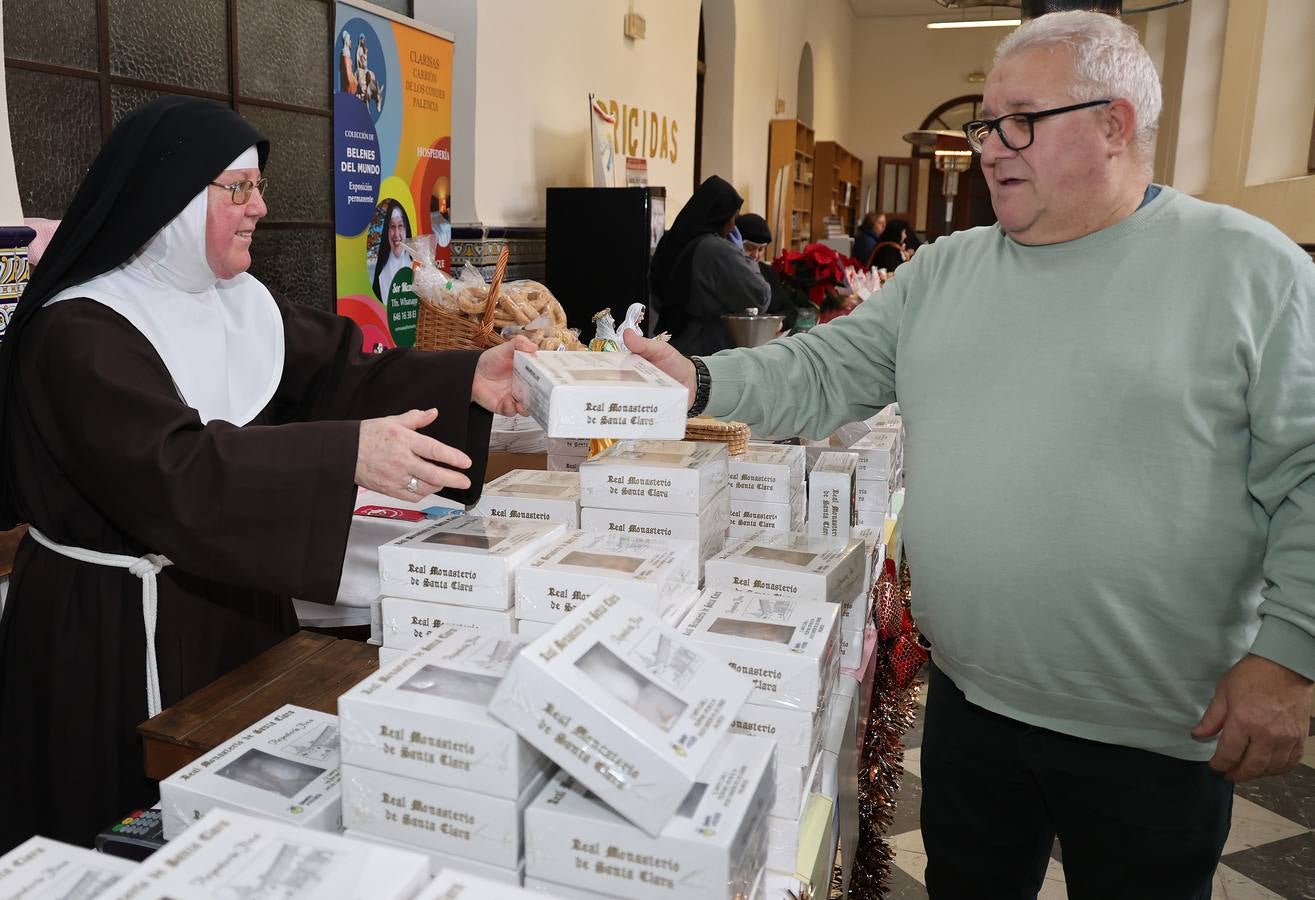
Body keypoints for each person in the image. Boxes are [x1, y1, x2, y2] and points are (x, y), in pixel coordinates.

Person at [626, 12, 1314, 898]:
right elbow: (824, 368)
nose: (990, 148)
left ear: (1114, 125)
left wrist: (1289, 655)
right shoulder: (945, 271)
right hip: (973, 705)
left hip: (1157, 727)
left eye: (1020, 120)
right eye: (984, 124)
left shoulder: (1248, 270)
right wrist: (695, 381)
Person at [0, 97, 535, 853]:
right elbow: (174, 473)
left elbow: (343, 376)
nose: (262, 207)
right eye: (239, 189)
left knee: (248, 823)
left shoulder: (239, 303)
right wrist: (342, 453)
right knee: (124, 830)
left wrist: (468, 376)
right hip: (112, 630)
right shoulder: (79, 330)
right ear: (175, 204)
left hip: (234, 604)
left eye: (257, 187)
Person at [649, 175, 769, 355]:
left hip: (671, 340)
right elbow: (759, 297)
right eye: (733, 217)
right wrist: (745, 259)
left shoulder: (673, 237)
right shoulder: (717, 250)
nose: (734, 225)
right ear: (722, 216)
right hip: (707, 347)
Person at [735, 213, 797, 333]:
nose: (756, 255)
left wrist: (778, 323)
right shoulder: (729, 273)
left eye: (760, 249)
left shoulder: (768, 272)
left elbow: (790, 309)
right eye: (749, 248)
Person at [372, 199, 413, 301]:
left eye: (400, 226)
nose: (396, 234)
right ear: (387, 230)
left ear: (406, 230)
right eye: (392, 227)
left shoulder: (416, 267)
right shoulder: (381, 275)